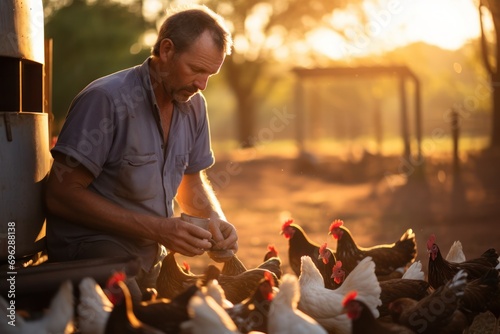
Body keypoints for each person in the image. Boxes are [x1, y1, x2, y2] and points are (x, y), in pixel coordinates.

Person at [44, 5, 238, 291]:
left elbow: (191, 181)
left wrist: (216, 222)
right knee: (131, 308)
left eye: (210, 74)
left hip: (149, 256)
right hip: (90, 252)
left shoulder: (195, 105)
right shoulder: (106, 100)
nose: (202, 84)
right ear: (167, 50)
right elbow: (60, 194)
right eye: (196, 69)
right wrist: (159, 229)